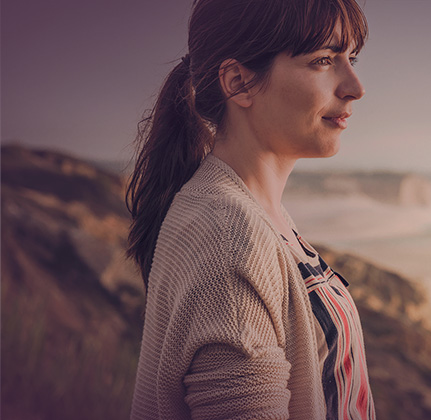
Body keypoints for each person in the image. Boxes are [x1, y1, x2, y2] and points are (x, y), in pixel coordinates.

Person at [124, 0, 374, 418]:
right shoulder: (229, 236)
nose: (355, 86)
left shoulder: (252, 212)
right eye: (323, 60)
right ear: (239, 83)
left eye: (352, 58)